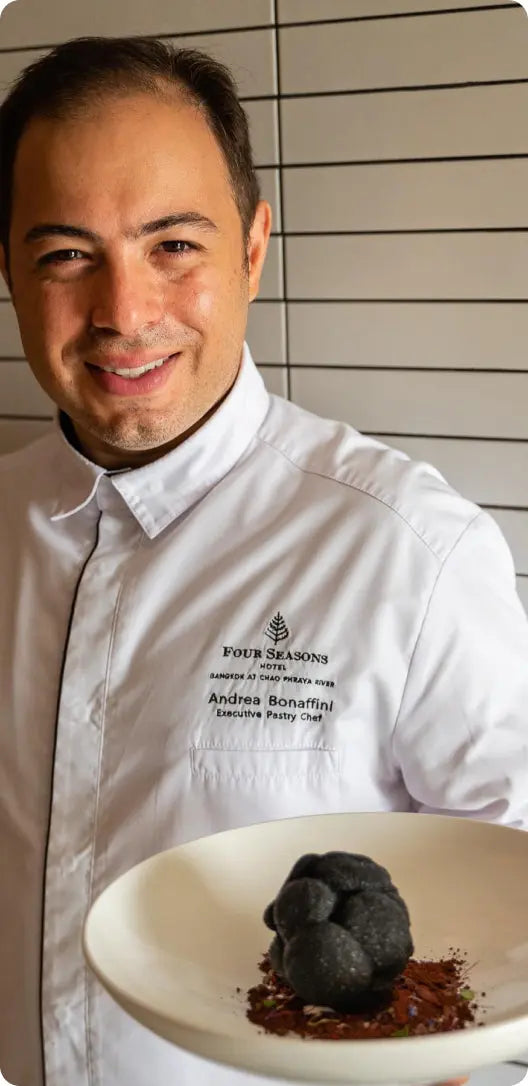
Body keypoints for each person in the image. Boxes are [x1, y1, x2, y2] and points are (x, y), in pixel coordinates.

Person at [0, 35, 526, 1086]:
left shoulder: (412, 551)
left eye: (173, 245)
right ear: (7, 263)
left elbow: (516, 936)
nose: (123, 313)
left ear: (252, 248)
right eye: (66, 253)